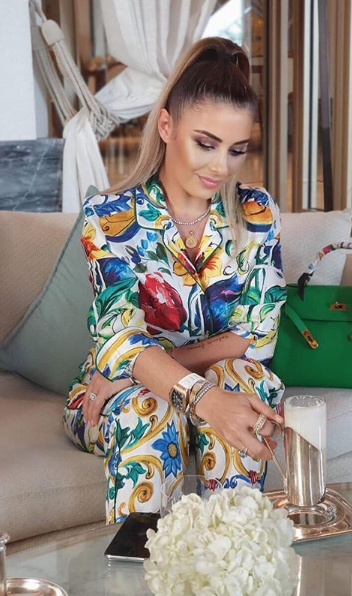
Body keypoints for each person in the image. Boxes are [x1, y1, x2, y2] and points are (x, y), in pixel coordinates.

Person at [62, 36, 287, 524]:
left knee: (243, 379)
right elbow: (121, 339)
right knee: (149, 407)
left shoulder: (257, 212)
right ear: (166, 125)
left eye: (236, 150)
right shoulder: (109, 217)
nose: (220, 167)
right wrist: (195, 394)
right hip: (115, 394)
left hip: (164, 376)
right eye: (205, 143)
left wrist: (161, 375)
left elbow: (255, 337)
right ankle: (139, 559)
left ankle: (234, 548)